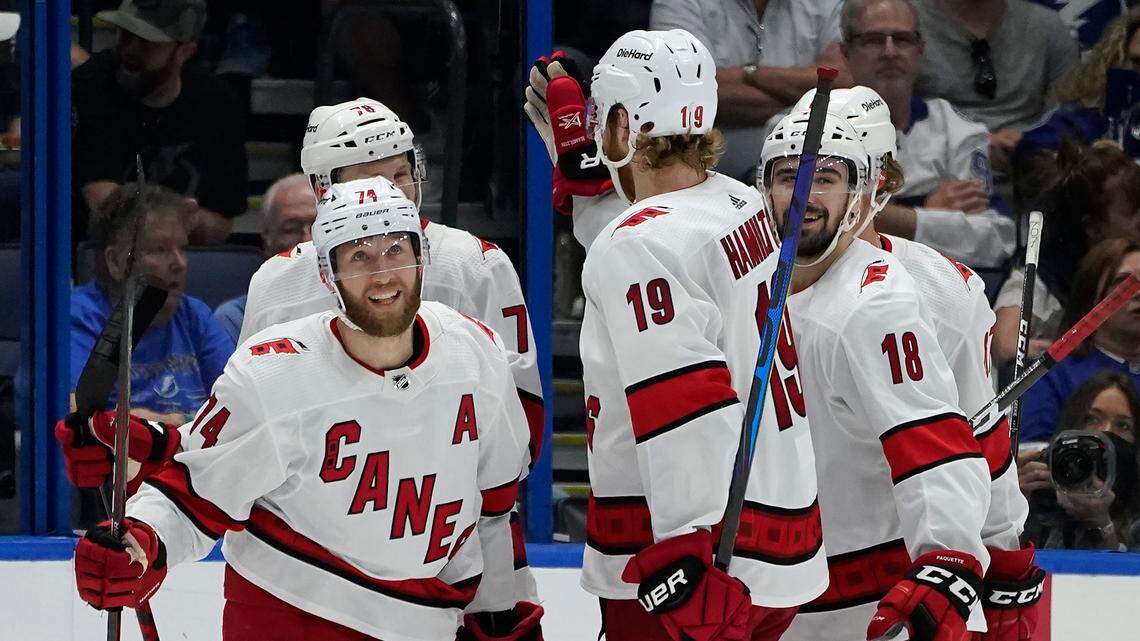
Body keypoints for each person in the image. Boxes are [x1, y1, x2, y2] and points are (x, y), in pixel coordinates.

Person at [64, 177, 542, 641]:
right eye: (359, 256)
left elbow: (495, 501)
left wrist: (498, 610)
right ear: (325, 275)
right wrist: (141, 545)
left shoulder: (476, 351)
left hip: (426, 616)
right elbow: (193, 492)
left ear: (422, 258)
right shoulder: (272, 372)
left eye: (396, 249)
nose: (381, 274)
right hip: (292, 606)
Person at [579, 28, 827, 641]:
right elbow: (653, 259)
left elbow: (684, 400)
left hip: (691, 559)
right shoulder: (740, 203)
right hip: (778, 537)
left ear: (620, 121)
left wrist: (686, 550)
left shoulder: (636, 244)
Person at [786, 84, 1041, 641]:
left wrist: (1006, 562)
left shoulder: (941, 292)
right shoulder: (742, 266)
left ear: (878, 182)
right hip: (764, 575)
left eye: (827, 173)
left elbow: (973, 437)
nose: (803, 190)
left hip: (876, 578)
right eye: (790, 171)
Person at [242, 97, 544, 474]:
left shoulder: (473, 265)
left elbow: (519, 418)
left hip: (440, 505)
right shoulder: (277, 281)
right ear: (322, 187)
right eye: (371, 179)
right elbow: (249, 413)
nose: (392, 192)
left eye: (401, 175)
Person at [837, 0, 1014, 269]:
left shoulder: (957, 130)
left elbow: (997, 240)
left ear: (920, 49)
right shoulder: (809, 125)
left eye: (902, 39)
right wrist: (926, 216)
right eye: (873, 40)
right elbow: (804, 220)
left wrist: (877, 215)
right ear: (845, 52)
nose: (889, 51)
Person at [72, 0, 248, 245]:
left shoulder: (217, 104)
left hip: (184, 259)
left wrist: (190, 220)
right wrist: (179, 215)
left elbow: (220, 225)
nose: (130, 49)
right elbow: (104, 206)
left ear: (184, 51)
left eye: (146, 42)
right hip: (101, 253)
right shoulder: (91, 85)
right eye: (125, 34)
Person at [70, 184, 234, 426]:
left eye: (183, 248)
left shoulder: (194, 315)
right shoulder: (79, 316)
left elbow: (239, 404)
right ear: (116, 261)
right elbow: (76, 415)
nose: (179, 263)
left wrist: (172, 423)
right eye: (159, 250)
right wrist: (179, 424)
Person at [648, 0, 851, 181]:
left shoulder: (826, 4)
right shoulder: (681, 4)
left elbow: (843, 79)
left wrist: (749, 74)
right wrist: (804, 93)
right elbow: (684, 91)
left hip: (810, 175)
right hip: (707, 179)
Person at [914, 0, 1079, 172]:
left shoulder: (1048, 27)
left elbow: (1073, 119)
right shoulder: (901, 27)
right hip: (934, 174)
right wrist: (968, 145)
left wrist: (1031, 143)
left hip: (1036, 172)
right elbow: (890, 123)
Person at [1019, 237, 1140, 443]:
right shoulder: (1050, 373)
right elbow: (1033, 453)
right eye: (1123, 283)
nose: (1137, 293)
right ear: (1091, 296)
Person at [1020, 372, 1139, 550]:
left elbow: (1129, 575)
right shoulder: (1041, 482)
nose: (1105, 431)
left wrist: (1101, 522)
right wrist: (1014, 502)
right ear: (1073, 423)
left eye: (1123, 425)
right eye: (1092, 419)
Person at [213, 174, 316, 343]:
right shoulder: (236, 318)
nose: (307, 241)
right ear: (267, 237)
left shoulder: (361, 307)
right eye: (290, 229)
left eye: (319, 226)